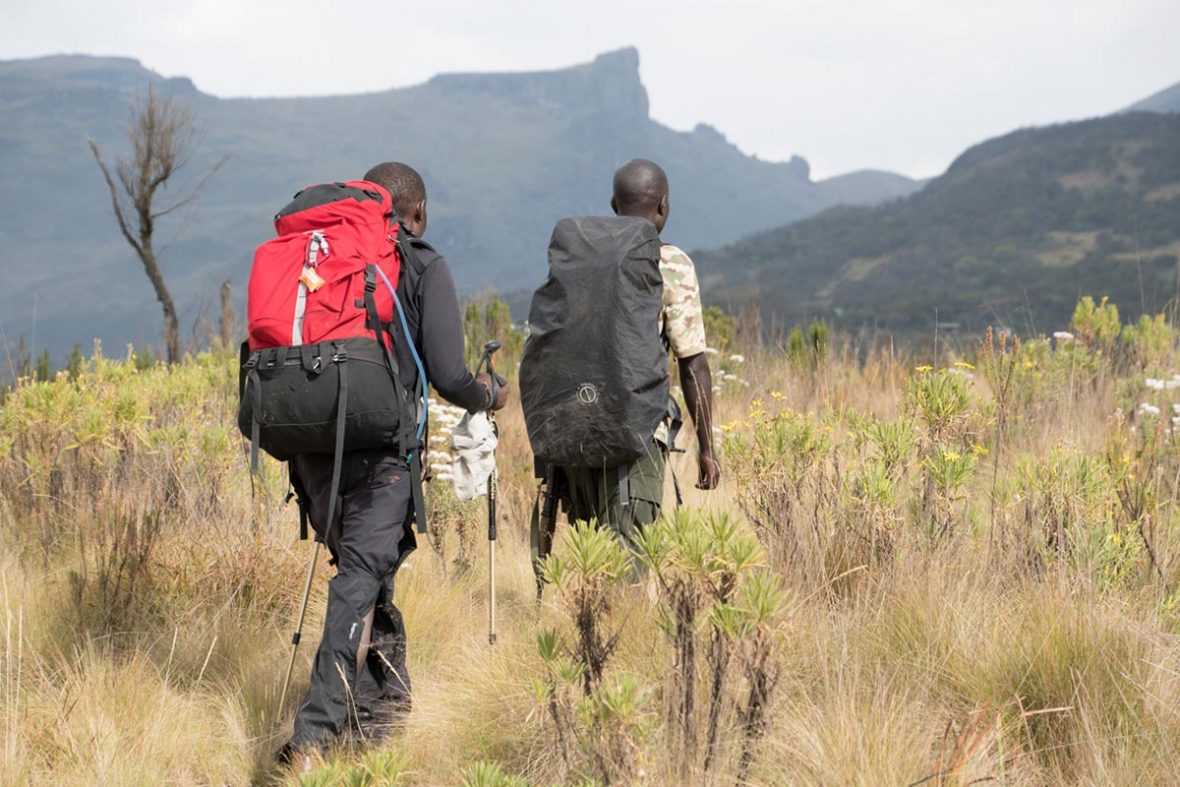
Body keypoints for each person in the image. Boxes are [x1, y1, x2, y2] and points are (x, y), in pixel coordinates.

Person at [278, 161, 507, 765]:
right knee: (358, 584)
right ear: (419, 212)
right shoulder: (424, 264)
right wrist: (491, 394)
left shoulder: (322, 255)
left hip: (312, 452)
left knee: (369, 583)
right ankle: (313, 741)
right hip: (381, 457)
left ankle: (383, 726)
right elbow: (450, 375)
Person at [544, 158, 720, 549]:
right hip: (634, 433)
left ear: (613, 205)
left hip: (573, 431)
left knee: (588, 560)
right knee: (630, 564)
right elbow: (693, 364)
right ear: (663, 207)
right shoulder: (669, 263)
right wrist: (707, 449)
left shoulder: (577, 259)